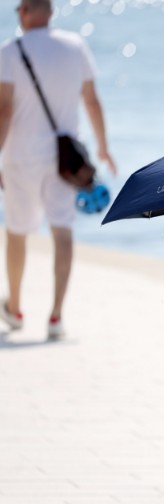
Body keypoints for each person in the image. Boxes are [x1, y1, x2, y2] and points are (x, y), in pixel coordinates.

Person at [0, 0, 116, 339]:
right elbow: (91, 100)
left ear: (24, 12)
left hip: (21, 156)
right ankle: (55, 317)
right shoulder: (75, 45)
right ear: (49, 12)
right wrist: (104, 147)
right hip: (65, 160)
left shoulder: (10, 51)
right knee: (62, 231)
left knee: (18, 231)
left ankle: (16, 308)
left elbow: (5, 110)